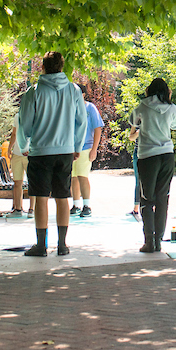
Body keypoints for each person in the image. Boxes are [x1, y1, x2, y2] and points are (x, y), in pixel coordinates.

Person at [17, 51, 87, 257]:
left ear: (42, 67)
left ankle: (41, 245)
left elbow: (25, 122)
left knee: (40, 197)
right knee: (63, 197)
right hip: (65, 150)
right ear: (62, 67)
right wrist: (77, 146)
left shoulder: (34, 91)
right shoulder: (73, 90)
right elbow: (81, 121)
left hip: (40, 151)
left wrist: (24, 144)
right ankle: (63, 245)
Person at [129, 77, 176, 253]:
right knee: (162, 198)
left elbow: (132, 122)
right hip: (167, 154)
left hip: (147, 156)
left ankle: (148, 240)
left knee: (146, 198)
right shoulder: (171, 108)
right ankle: (159, 239)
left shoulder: (142, 106)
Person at [69, 85, 104, 217]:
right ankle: (76, 204)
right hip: (71, 149)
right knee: (73, 178)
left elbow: (98, 128)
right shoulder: (69, 109)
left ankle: (86, 205)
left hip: (85, 147)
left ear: (83, 94)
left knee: (82, 176)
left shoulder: (90, 108)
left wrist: (94, 149)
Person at [7, 125, 32, 217]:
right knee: (17, 182)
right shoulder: (17, 117)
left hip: (30, 154)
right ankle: (18, 208)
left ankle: (32, 209)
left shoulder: (35, 114)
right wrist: (10, 148)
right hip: (17, 154)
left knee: (32, 183)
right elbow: (14, 134)